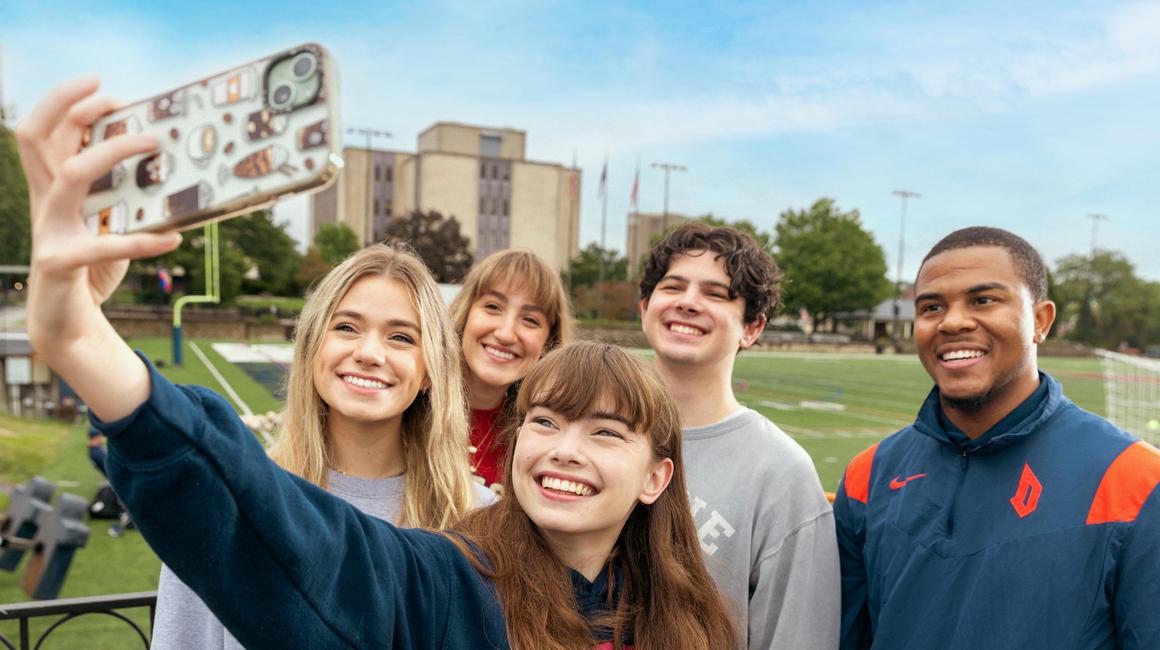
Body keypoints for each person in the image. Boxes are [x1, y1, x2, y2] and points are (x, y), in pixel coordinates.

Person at [20, 78, 738, 649]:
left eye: (401, 336)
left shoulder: (502, 534)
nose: (369, 353)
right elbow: (233, 494)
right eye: (545, 422)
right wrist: (80, 340)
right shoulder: (451, 568)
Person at [149, 243, 496, 649]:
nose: (368, 353)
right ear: (312, 346)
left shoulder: (481, 521)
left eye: (401, 337)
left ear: (428, 372)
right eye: (346, 327)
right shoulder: (224, 507)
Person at [833, 227, 1160, 648]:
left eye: (983, 300)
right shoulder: (869, 474)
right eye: (932, 307)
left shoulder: (1135, 480)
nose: (952, 321)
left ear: (1041, 321)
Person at [638, 223, 840, 648]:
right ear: (645, 307)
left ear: (753, 327)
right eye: (673, 286)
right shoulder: (589, 432)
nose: (688, 303)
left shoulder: (781, 471)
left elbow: (798, 636)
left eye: (715, 294)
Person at [448, 250, 574, 492]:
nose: (505, 334)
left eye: (530, 320)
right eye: (493, 307)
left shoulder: (549, 438)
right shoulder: (408, 408)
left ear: (549, 343)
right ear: (465, 313)